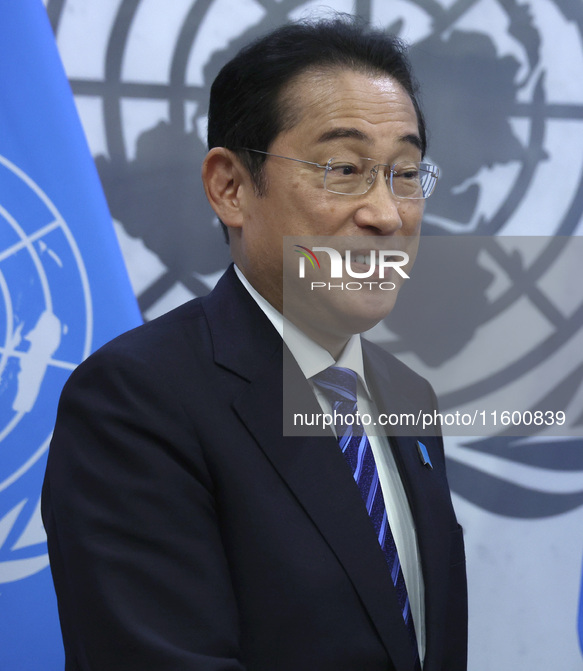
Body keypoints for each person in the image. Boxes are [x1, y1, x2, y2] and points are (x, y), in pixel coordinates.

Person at [42, 16, 467, 671]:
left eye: (405, 173)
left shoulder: (409, 397)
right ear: (230, 187)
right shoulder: (134, 401)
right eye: (345, 168)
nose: (386, 214)